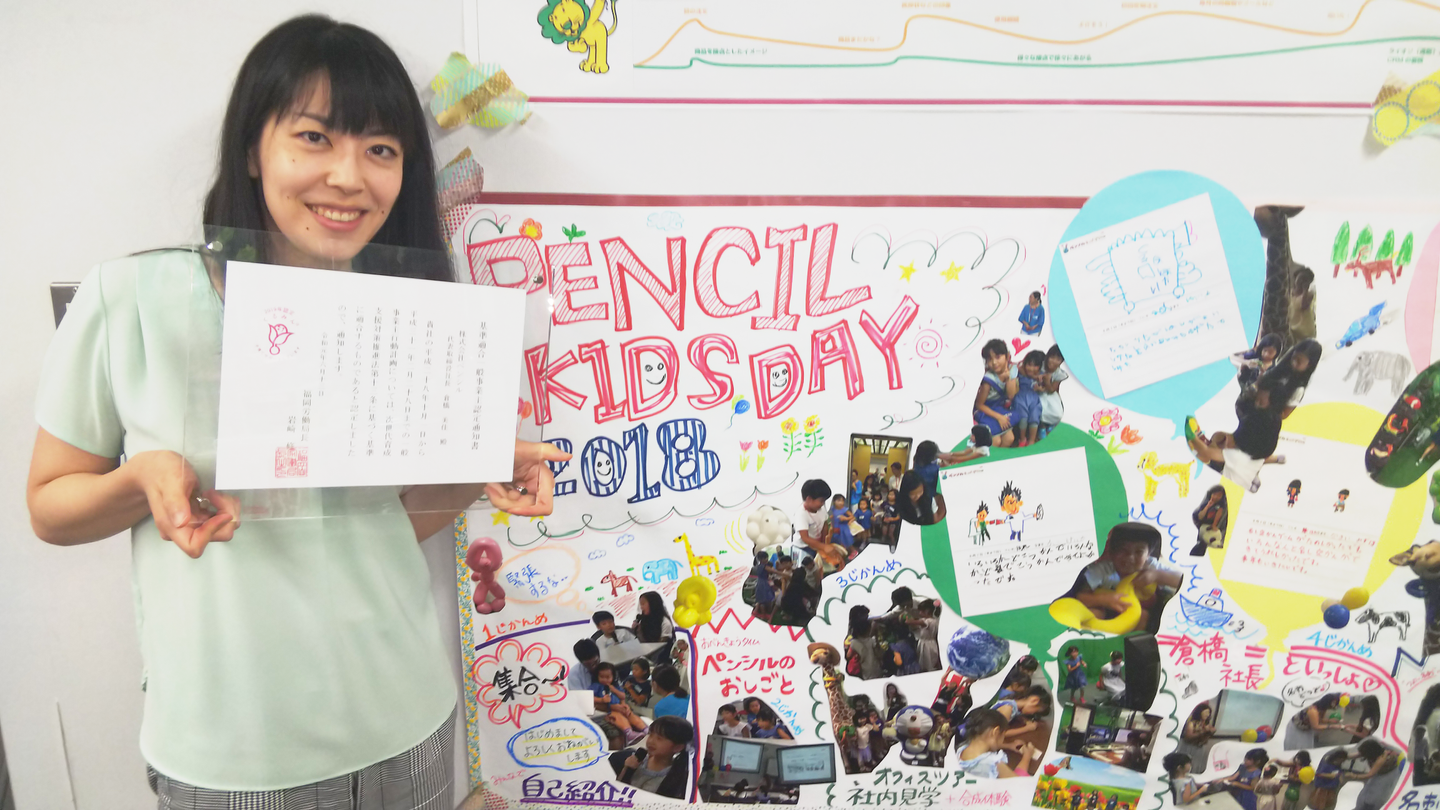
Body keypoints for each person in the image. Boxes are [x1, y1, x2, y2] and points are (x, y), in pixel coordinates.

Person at [23, 19, 571, 803]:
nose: (348, 177)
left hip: (407, 722)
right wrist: (140, 478)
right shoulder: (134, 296)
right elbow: (50, 507)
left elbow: (383, 525)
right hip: (232, 756)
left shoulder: (411, 314)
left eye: (381, 149)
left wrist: (478, 465)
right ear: (254, 148)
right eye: (314, 137)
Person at [1063, 522, 1183, 627]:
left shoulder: (1151, 565)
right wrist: (1104, 600)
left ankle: (1133, 641)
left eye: (1139, 552)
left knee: (1143, 615)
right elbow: (1081, 596)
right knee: (1096, 613)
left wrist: (1158, 576)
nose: (1130, 557)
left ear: (1148, 555)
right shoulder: (1102, 570)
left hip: (1137, 610)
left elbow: (1183, 580)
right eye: (1123, 551)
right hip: (1104, 607)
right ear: (1111, 553)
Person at [610, 715, 695, 799]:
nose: (651, 741)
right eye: (650, 735)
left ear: (678, 747)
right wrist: (626, 768)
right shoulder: (638, 760)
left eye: (659, 738)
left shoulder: (677, 776)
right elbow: (617, 789)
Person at [955, 709, 1037, 779]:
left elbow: (989, 745)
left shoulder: (961, 750)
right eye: (1003, 736)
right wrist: (1027, 756)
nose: (1002, 740)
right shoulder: (993, 764)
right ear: (996, 732)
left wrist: (1008, 745)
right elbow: (1017, 783)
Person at [974, 339, 1018, 448]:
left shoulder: (1012, 369)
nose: (994, 362)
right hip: (985, 410)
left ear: (1007, 356)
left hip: (998, 407)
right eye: (990, 359)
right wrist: (999, 417)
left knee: (1010, 438)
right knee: (996, 441)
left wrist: (1008, 377)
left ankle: (999, 457)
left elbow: (1011, 395)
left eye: (998, 357)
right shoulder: (988, 379)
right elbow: (979, 405)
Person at [795, 479, 846, 571]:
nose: (823, 504)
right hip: (804, 547)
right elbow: (805, 538)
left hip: (818, 543)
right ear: (809, 499)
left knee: (835, 557)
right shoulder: (801, 514)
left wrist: (824, 543)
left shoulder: (821, 509)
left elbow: (825, 524)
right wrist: (823, 547)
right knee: (814, 568)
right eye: (821, 501)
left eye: (824, 501)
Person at [593, 663, 648, 743]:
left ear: (613, 677)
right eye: (602, 677)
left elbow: (622, 696)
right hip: (609, 711)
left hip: (620, 707)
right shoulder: (596, 686)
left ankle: (645, 729)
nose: (605, 680)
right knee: (617, 716)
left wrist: (623, 703)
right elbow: (591, 697)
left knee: (630, 714)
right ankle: (629, 733)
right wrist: (601, 700)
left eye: (607, 677)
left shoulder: (615, 686)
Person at [1347, 739, 1402, 810]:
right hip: (1378, 776)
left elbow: (1370, 774)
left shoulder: (1383, 758)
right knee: (1365, 796)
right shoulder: (1378, 752)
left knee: (1374, 799)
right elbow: (1357, 754)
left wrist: (1354, 776)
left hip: (1386, 778)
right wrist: (1342, 756)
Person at [1013, 350, 1046, 448]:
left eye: (1035, 365)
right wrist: (1034, 376)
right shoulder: (1019, 371)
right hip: (1020, 397)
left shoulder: (1042, 374)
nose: (1031, 368)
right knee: (1023, 417)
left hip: (1034, 398)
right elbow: (1019, 369)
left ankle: (1032, 440)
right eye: (1029, 365)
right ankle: (1022, 439)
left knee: (1034, 416)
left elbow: (1046, 384)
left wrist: (1041, 388)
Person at [1038, 345, 1068, 439]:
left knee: (1058, 413)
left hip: (1049, 393)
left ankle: (1051, 425)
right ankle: (1042, 427)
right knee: (1041, 410)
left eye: (1058, 359)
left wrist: (1047, 381)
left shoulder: (1059, 373)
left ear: (1062, 362)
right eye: (1052, 357)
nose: (1053, 361)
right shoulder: (1040, 365)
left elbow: (1052, 390)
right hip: (1037, 392)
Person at [1191, 485, 1227, 555]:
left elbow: (1219, 513)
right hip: (1202, 526)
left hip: (1212, 528)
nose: (1216, 497)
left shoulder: (1221, 505)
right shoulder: (1205, 503)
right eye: (1214, 494)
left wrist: (1214, 525)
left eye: (1219, 495)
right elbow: (1200, 517)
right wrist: (1207, 506)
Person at [908, 600, 941, 671]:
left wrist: (910, 620)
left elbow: (922, 623)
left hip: (928, 645)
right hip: (923, 643)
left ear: (927, 611)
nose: (919, 613)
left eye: (921, 611)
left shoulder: (932, 621)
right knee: (922, 661)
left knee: (929, 662)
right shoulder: (924, 619)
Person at [750, 551, 778, 620]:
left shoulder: (758, 566)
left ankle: (761, 614)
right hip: (764, 584)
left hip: (760, 583)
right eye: (765, 558)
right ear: (761, 559)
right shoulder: (764, 567)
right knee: (765, 600)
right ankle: (764, 614)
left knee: (762, 600)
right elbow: (774, 572)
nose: (767, 559)